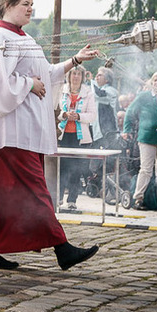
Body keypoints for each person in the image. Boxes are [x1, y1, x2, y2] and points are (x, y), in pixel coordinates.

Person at [0, 0, 100, 272]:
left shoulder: (24, 37)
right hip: (11, 132)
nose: (30, 8)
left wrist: (75, 60)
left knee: (4, 195)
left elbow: (46, 73)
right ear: (7, 5)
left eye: (32, 3)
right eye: (25, 3)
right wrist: (29, 84)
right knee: (34, 190)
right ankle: (62, 248)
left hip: (26, 131)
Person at [123, 70, 157, 210]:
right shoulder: (143, 96)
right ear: (151, 83)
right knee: (146, 169)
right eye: (155, 80)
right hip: (146, 137)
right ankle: (138, 199)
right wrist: (126, 130)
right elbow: (130, 112)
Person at [56, 66, 96, 212]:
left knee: (76, 169)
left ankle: (72, 199)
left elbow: (92, 115)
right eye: (74, 73)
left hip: (80, 137)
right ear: (69, 75)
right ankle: (58, 197)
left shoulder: (89, 93)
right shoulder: (62, 90)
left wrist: (78, 116)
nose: (76, 77)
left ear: (83, 76)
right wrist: (65, 115)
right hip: (64, 134)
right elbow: (57, 110)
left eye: (79, 74)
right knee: (62, 167)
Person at [91, 66, 120, 149]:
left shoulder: (111, 91)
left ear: (107, 79)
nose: (96, 77)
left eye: (100, 75)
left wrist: (91, 80)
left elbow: (98, 94)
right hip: (97, 131)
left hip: (108, 131)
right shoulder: (97, 89)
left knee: (109, 159)